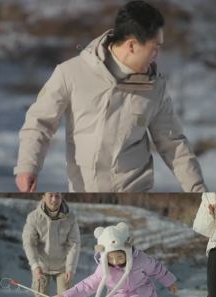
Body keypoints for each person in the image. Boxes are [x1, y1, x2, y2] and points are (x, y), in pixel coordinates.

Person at [14, 0, 205, 192]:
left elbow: (173, 144)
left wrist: (198, 190)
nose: (158, 54)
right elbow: (39, 123)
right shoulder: (70, 73)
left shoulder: (155, 88)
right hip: (84, 190)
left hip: (134, 189)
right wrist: (27, 167)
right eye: (154, 47)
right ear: (132, 45)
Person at [22, 192, 80, 297]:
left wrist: (70, 267)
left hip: (62, 266)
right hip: (41, 266)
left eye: (57, 196)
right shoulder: (34, 217)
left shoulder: (70, 217)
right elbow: (29, 243)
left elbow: (74, 244)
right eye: (50, 196)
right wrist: (34, 265)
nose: (54, 199)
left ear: (61, 198)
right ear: (43, 196)